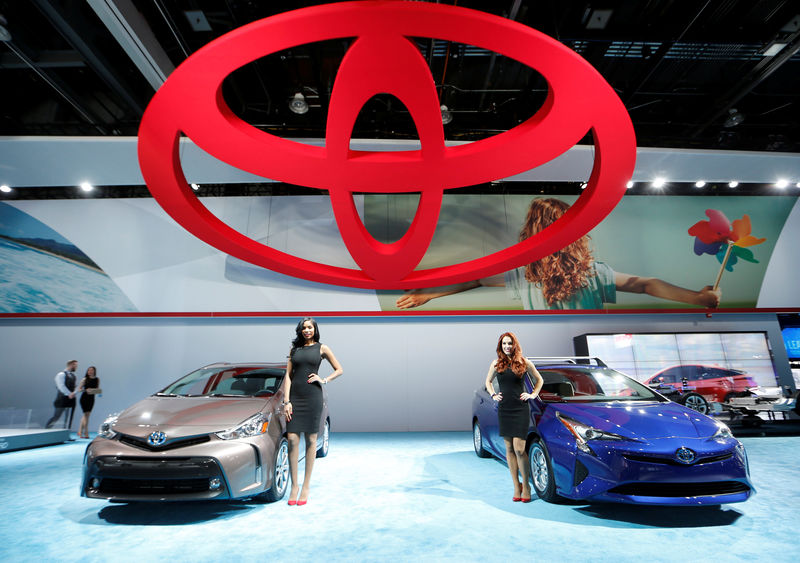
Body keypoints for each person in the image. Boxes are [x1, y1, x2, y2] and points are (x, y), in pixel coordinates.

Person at [396, 197, 722, 310]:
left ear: (531, 232)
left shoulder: (524, 273)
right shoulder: (592, 271)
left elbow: (475, 281)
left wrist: (432, 294)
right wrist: (696, 299)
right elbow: (645, 283)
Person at [281, 317, 343, 505]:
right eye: (304, 328)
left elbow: (339, 369)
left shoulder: (322, 348)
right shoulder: (294, 350)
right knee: (292, 439)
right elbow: (288, 376)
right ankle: (294, 486)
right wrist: (287, 401)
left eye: (310, 327)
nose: (307, 330)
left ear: (315, 329)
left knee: (311, 440)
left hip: (313, 397)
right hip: (295, 399)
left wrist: (323, 380)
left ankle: (306, 486)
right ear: (299, 330)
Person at [485, 332, 543, 502]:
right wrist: (493, 394)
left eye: (510, 343)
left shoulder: (525, 363)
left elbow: (539, 380)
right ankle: (515, 485)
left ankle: (526, 485)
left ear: (515, 344)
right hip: (505, 409)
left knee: (519, 449)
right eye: (504, 344)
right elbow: (488, 381)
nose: (507, 346)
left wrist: (532, 395)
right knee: (509, 449)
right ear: (500, 346)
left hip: (520, 409)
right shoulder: (496, 364)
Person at [45, 360, 78, 429]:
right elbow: (61, 386)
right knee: (57, 416)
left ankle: (66, 434)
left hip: (71, 399)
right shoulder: (61, 374)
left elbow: (74, 386)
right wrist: (69, 394)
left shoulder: (73, 376)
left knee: (68, 418)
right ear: (70, 365)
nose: (76, 367)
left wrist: (75, 392)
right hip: (62, 399)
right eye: (75, 365)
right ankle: (46, 430)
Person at [76, 366, 101, 439]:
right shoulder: (84, 379)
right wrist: (85, 390)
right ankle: (86, 432)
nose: (90, 371)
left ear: (94, 371)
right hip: (84, 398)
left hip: (91, 398)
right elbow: (79, 389)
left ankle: (80, 431)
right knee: (86, 415)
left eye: (91, 370)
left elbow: (98, 390)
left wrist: (92, 390)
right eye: (89, 370)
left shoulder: (97, 379)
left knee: (86, 415)